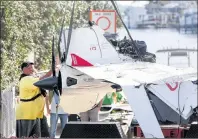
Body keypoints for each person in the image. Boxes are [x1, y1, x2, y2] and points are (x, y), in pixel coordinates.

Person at [16, 61, 53, 138]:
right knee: (26, 136)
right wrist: (52, 70)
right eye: (30, 68)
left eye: (33, 68)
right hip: (27, 114)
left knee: (37, 136)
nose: (32, 69)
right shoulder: (26, 79)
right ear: (24, 69)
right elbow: (42, 80)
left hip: (34, 114)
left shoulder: (31, 78)